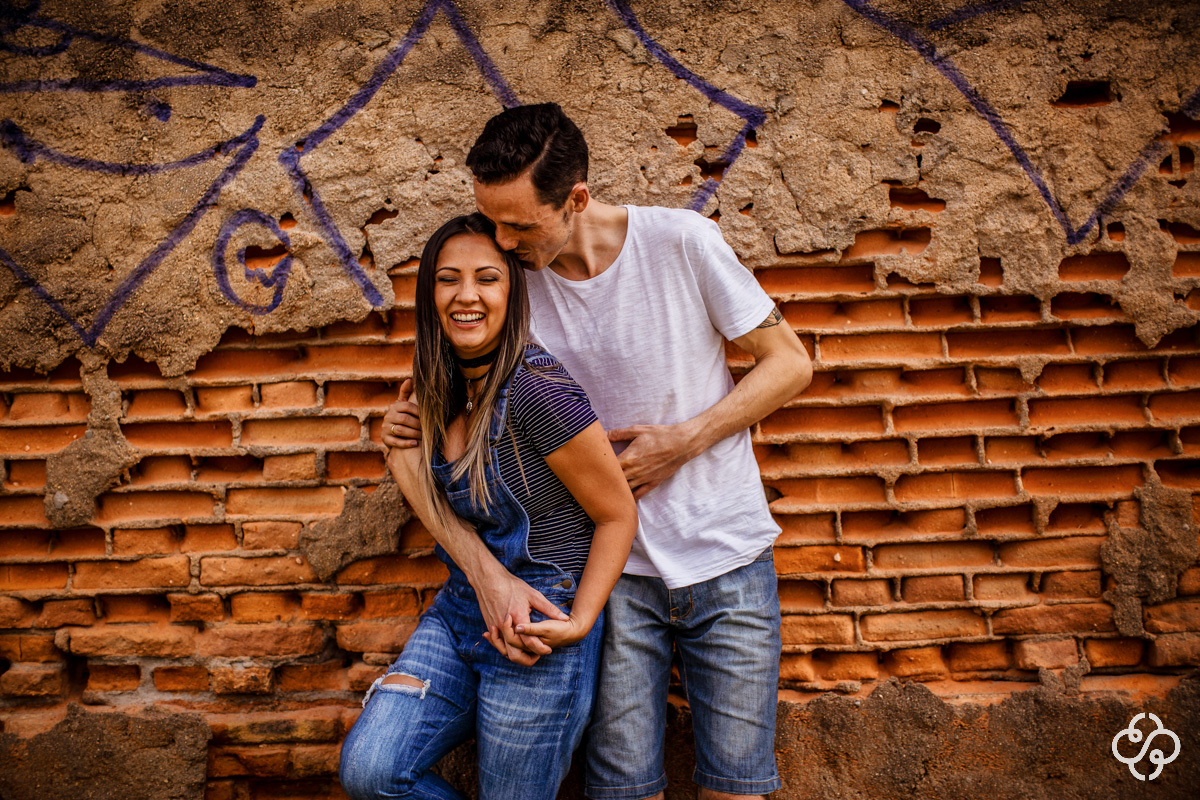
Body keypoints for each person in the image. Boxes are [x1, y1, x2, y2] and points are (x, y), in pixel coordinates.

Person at [383, 103, 813, 800]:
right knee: (620, 790)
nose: (503, 240)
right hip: (610, 579)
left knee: (737, 786)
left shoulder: (681, 242)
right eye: (493, 221)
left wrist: (682, 443)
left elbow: (789, 364)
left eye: (520, 225)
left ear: (576, 199)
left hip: (726, 554)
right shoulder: (511, 282)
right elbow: (443, 387)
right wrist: (405, 423)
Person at [340, 213, 638, 800]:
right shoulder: (439, 382)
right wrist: (402, 457)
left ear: (512, 291)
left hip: (536, 629)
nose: (466, 295)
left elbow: (617, 514)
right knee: (372, 772)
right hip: (459, 613)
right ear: (429, 295)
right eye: (449, 279)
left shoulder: (539, 390)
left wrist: (577, 622)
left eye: (487, 278)